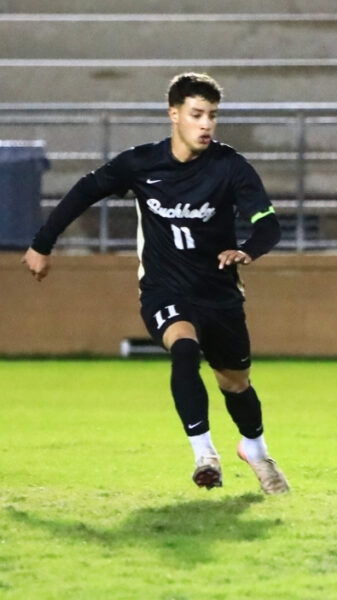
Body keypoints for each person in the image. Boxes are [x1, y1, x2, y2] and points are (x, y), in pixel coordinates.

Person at [21, 72, 290, 495]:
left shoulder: (230, 166)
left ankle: (255, 450)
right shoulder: (142, 163)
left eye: (212, 116)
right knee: (184, 349)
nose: (206, 125)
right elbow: (84, 191)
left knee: (235, 383)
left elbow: (269, 225)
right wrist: (42, 244)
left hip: (219, 293)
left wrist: (247, 251)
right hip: (165, 290)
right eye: (197, 114)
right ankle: (205, 455)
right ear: (174, 114)